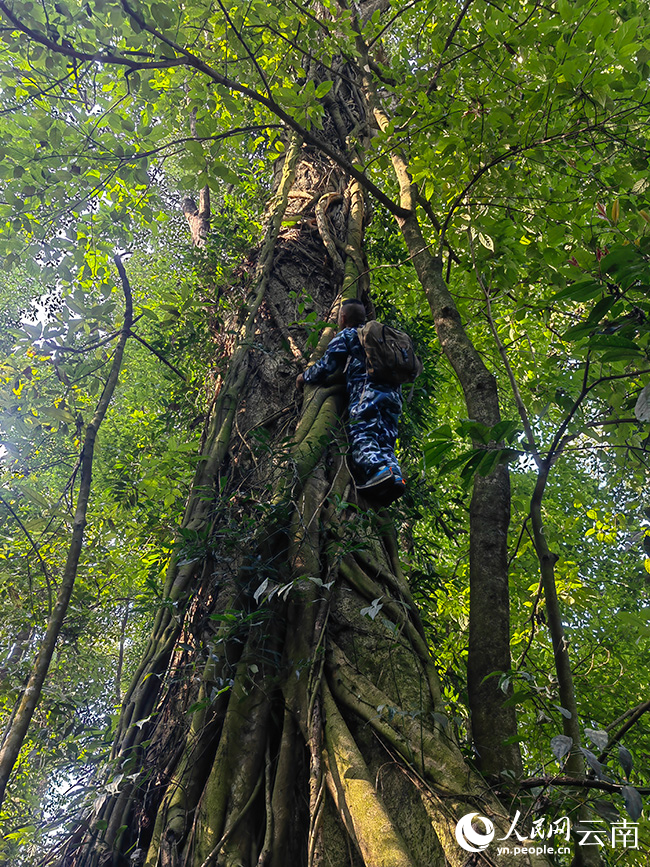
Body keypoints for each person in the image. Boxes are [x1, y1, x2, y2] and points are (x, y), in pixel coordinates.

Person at [296, 299, 405, 500]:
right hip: (394, 396)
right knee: (386, 438)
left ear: (343, 318)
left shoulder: (348, 334)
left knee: (363, 431)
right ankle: (395, 475)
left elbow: (327, 365)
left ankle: (377, 471)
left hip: (368, 391)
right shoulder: (377, 339)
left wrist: (305, 376)